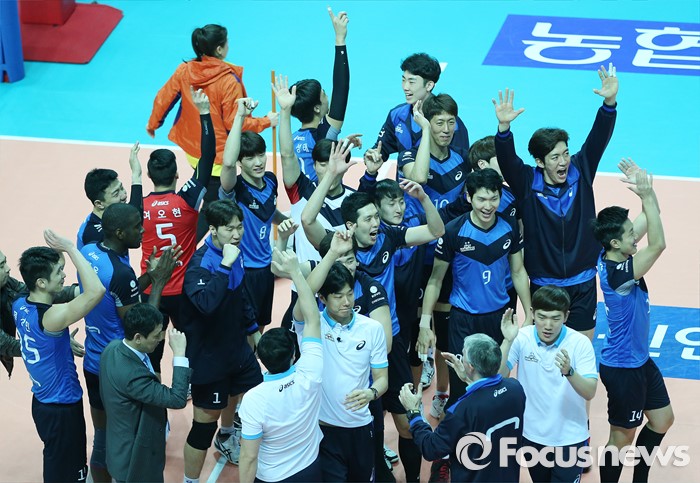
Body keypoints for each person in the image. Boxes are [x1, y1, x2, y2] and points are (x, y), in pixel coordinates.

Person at [492, 63, 619, 340]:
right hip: (545, 285)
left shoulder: (581, 171)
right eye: (555, 157)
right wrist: (504, 129)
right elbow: (507, 160)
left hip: (583, 281)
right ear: (540, 162)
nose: (563, 162)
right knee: (547, 351)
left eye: (565, 153)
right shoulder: (527, 182)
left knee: (582, 347)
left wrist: (609, 104)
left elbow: (599, 138)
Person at [419, 168, 531, 481]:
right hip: (463, 322)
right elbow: (435, 279)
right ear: (469, 197)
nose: (488, 205)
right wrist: (425, 322)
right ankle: (451, 457)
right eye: (481, 198)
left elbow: (518, 272)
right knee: (461, 392)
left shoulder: (508, 228)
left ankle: (493, 449)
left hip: (498, 319)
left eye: (493, 198)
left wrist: (530, 312)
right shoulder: (453, 230)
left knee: (497, 384)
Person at [146, 24, 278, 240]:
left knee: (202, 189)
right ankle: (183, 246)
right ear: (219, 49)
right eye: (226, 42)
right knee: (213, 207)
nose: (229, 45)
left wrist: (153, 123)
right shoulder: (228, 81)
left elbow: (164, 97)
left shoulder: (184, 70)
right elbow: (235, 123)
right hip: (219, 156)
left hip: (193, 151)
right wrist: (266, 121)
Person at [80, 203, 177, 483]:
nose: (143, 231)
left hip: (93, 360)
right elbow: (141, 326)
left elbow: (119, 293)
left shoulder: (90, 252)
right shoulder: (120, 273)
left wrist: (147, 277)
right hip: (119, 368)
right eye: (137, 227)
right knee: (127, 440)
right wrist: (159, 282)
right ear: (120, 233)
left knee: (102, 437)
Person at [592, 164, 673, 483]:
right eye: (629, 235)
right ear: (615, 243)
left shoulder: (614, 253)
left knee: (662, 420)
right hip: (623, 368)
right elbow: (658, 244)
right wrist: (648, 197)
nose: (634, 236)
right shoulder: (619, 276)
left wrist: (645, 193)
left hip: (639, 361)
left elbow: (649, 219)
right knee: (621, 439)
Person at [180, 199, 263, 481]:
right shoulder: (200, 265)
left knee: (251, 398)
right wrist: (225, 265)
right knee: (203, 428)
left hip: (237, 349)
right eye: (230, 229)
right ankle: (190, 480)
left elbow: (240, 294)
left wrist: (253, 329)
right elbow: (207, 304)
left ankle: (227, 436)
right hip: (209, 357)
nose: (237, 234)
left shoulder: (234, 252)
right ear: (213, 229)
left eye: (240, 227)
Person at [13, 230, 106, 482]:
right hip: (62, 408)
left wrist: (62, 343)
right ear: (41, 283)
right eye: (59, 272)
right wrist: (71, 248)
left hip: (42, 403)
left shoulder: (20, 304)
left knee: (55, 460)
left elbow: (39, 338)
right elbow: (96, 291)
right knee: (67, 473)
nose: (64, 275)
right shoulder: (52, 317)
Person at [140, 87, 214, 374]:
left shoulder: (138, 208)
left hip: (151, 290)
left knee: (152, 352)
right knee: (191, 346)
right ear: (177, 174)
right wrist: (204, 114)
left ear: (149, 175)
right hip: (184, 290)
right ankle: (189, 386)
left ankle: (153, 387)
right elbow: (207, 159)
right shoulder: (187, 199)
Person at [293, 261, 389, 482]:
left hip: (361, 427)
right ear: (322, 298)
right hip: (324, 431)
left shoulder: (372, 328)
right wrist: (331, 254)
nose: (347, 302)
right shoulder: (312, 325)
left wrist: (371, 393)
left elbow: (382, 378)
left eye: (350, 294)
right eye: (338, 296)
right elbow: (303, 299)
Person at [238, 249, 323, 483]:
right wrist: (296, 272)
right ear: (294, 353)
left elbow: (248, 457)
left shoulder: (254, 399)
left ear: (261, 358)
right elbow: (313, 318)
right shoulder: (311, 372)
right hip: (310, 470)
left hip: (273, 477)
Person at [499, 287, 598, 483]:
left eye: (555, 318)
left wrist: (570, 372)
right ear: (532, 313)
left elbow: (590, 391)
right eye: (542, 317)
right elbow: (499, 376)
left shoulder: (580, 343)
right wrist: (507, 341)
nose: (548, 325)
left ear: (566, 316)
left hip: (570, 439)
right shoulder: (522, 337)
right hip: (532, 436)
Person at [399, 333, 526, 483]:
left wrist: (413, 412)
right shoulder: (515, 389)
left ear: (470, 367)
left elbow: (431, 448)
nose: (461, 358)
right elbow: (490, 401)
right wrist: (468, 379)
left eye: (463, 354)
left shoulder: (461, 410)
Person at [100, 303, 191, 483]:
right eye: (156, 335)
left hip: (120, 446)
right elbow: (177, 398)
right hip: (135, 461)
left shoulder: (113, 348)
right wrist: (180, 354)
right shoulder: (132, 376)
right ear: (138, 337)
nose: (160, 339)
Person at [219, 98, 288, 332]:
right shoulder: (234, 188)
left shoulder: (271, 180)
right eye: (249, 158)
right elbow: (227, 164)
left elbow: (267, 212)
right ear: (240, 161)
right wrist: (240, 116)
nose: (258, 162)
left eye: (261, 155)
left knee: (261, 326)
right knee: (242, 331)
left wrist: (287, 221)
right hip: (242, 269)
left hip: (266, 269)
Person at [368, 53, 469, 163]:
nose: (405, 87)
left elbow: (461, 164)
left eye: (411, 82)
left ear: (429, 85)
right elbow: (381, 148)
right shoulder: (396, 115)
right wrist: (373, 155)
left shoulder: (450, 124)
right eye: (403, 80)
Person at [290, 7, 350, 182]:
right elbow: (341, 88)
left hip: (301, 196)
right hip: (321, 196)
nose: (328, 97)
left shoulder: (292, 138)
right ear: (317, 108)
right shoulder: (323, 133)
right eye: (324, 94)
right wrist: (340, 39)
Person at [1, 249, 80, 378]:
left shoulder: (6, 282)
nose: (8, 268)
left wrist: (74, 291)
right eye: (1, 266)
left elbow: (35, 292)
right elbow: (5, 344)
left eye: (5, 262)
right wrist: (51, 343)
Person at [468, 135, 523, 310]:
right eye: (501, 159)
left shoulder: (513, 194)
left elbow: (520, 232)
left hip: (507, 283)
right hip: (474, 287)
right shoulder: (467, 200)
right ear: (482, 164)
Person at [78, 144, 143, 249]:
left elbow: (134, 214)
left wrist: (136, 175)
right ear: (99, 204)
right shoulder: (93, 234)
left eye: (122, 188)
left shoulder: (114, 216)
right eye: (116, 194)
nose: (124, 195)